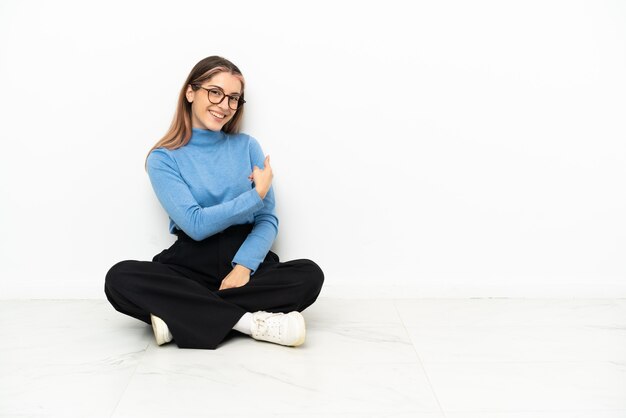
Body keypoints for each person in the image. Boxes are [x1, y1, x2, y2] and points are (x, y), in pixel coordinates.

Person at [104, 56, 324, 350]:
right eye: (215, 92)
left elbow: (267, 219)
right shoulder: (163, 158)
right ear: (191, 92)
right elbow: (195, 225)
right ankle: (250, 323)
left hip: (243, 255)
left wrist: (244, 267)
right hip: (190, 262)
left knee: (309, 275)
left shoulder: (247, 146)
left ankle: (181, 315)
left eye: (234, 98)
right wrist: (253, 196)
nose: (224, 105)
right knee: (119, 278)